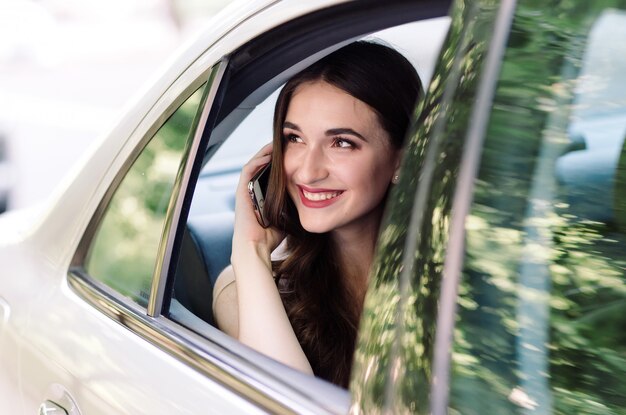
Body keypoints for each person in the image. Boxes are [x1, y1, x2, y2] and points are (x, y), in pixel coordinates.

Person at [212, 40, 422, 388]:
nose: (308, 172)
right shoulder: (243, 287)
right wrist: (249, 249)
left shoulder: (449, 271)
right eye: (294, 139)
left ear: (401, 159)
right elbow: (278, 401)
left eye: (341, 142)